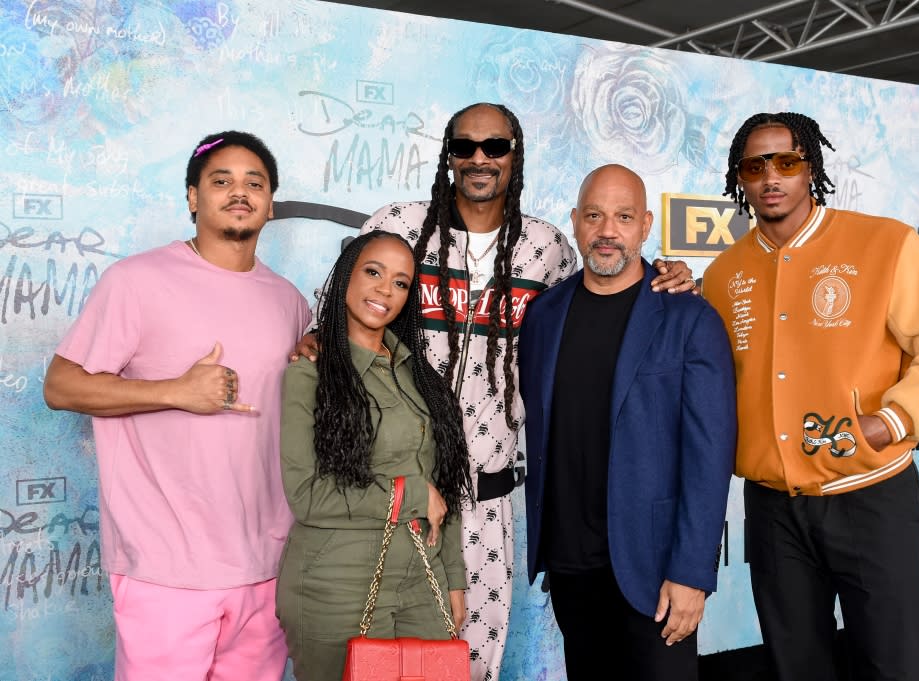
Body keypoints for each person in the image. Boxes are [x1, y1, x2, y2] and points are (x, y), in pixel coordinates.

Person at [293, 102, 697, 681]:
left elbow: (605, 293)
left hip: (487, 501)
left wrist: (667, 274)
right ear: (449, 155)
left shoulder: (546, 247)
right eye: (465, 147)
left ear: (516, 154)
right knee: (371, 662)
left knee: (469, 664)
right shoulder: (401, 224)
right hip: (393, 493)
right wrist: (314, 337)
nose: (479, 159)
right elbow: (336, 311)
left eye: (495, 147)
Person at [701, 112, 919, 681]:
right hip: (771, 509)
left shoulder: (884, 243)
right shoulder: (722, 273)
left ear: (811, 168)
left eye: (786, 161)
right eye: (755, 165)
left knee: (897, 665)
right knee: (796, 667)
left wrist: (891, 421)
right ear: (741, 177)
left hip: (871, 497)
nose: (771, 177)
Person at [43, 131, 311, 681]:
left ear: (270, 202)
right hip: (166, 567)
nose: (239, 192)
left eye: (254, 182)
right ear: (193, 197)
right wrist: (174, 391)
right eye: (221, 181)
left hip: (267, 566)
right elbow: (60, 386)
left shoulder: (290, 300)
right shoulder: (136, 281)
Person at [518, 164, 737, 680]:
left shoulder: (690, 318)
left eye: (622, 216)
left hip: (655, 569)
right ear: (574, 222)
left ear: (644, 224)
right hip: (572, 565)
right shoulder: (545, 315)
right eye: (594, 215)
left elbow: (710, 456)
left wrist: (690, 572)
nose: (607, 231)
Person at [276, 231, 473, 680]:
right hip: (336, 585)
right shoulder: (310, 374)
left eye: (401, 283)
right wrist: (410, 496)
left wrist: (453, 580)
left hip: (423, 579)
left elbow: (444, 483)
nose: (385, 290)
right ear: (346, 275)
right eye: (373, 272)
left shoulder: (418, 375)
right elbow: (307, 495)